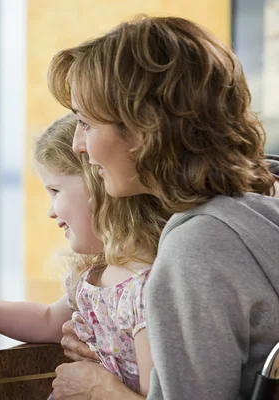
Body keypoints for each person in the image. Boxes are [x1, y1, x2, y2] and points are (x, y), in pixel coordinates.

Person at [47, 15, 279, 399]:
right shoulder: (259, 208)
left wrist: (102, 390)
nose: (77, 145)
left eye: (86, 123)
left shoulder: (197, 247)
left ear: (143, 128)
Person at [0, 113, 170, 396]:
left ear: (98, 184)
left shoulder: (144, 289)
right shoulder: (95, 276)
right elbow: (47, 320)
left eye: (55, 190)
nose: (51, 211)